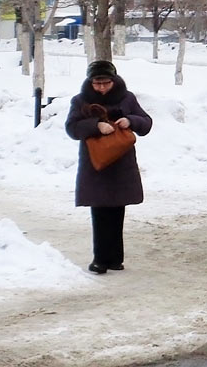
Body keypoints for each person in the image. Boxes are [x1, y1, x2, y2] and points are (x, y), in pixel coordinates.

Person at [64, 60, 153, 274]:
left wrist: (130, 120)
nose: (102, 87)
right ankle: (100, 259)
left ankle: (115, 258)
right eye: (97, 83)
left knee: (117, 210)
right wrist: (95, 126)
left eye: (106, 83)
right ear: (90, 82)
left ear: (113, 80)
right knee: (99, 210)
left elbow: (146, 122)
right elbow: (71, 128)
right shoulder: (80, 101)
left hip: (120, 162)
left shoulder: (127, 98)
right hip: (96, 163)